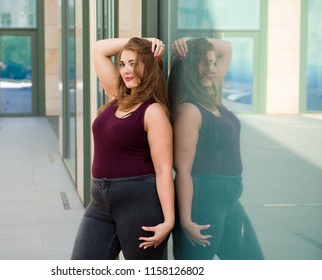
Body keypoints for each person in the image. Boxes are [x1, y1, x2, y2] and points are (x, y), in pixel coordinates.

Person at [70, 37, 174, 260]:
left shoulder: (153, 111)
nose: (127, 70)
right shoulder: (117, 97)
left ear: (149, 65)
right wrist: (143, 41)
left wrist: (168, 221)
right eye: (123, 63)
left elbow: (164, 170)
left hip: (139, 203)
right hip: (99, 202)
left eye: (134, 63)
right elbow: (98, 49)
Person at [168, 37, 264, 260]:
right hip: (203, 202)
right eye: (205, 63)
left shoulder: (209, 95)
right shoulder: (189, 109)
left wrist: (189, 41)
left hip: (229, 200)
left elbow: (227, 48)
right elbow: (183, 170)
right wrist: (186, 220)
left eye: (213, 62)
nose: (213, 69)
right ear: (192, 67)